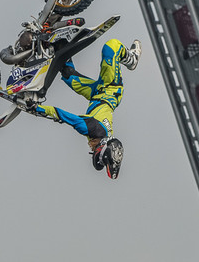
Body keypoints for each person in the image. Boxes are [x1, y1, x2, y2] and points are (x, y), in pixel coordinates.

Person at [29, 38, 141, 179]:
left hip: (96, 94)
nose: (90, 146)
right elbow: (63, 115)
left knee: (67, 73)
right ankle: (132, 59)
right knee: (111, 47)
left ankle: (60, 44)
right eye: (93, 149)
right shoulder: (92, 129)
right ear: (100, 147)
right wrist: (38, 109)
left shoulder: (100, 134)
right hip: (110, 88)